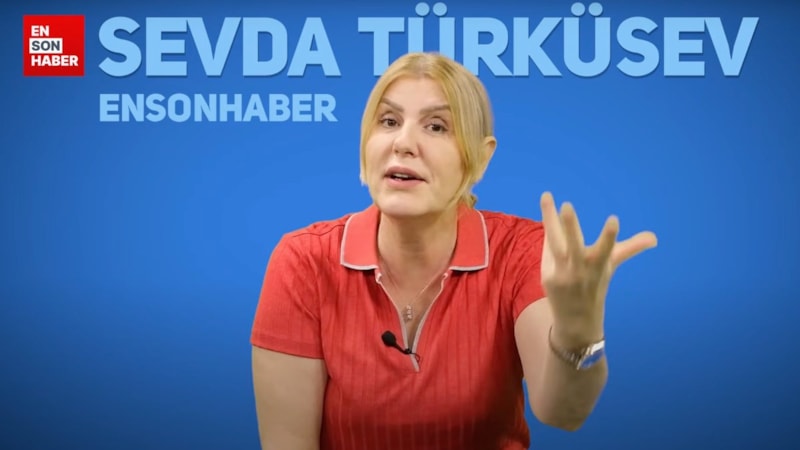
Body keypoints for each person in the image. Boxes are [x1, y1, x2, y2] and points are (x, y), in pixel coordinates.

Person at [250, 51, 657, 450]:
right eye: (389, 121)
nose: (403, 143)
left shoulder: (523, 252)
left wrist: (578, 331)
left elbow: (562, 412)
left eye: (437, 126)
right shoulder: (302, 261)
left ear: (480, 156)